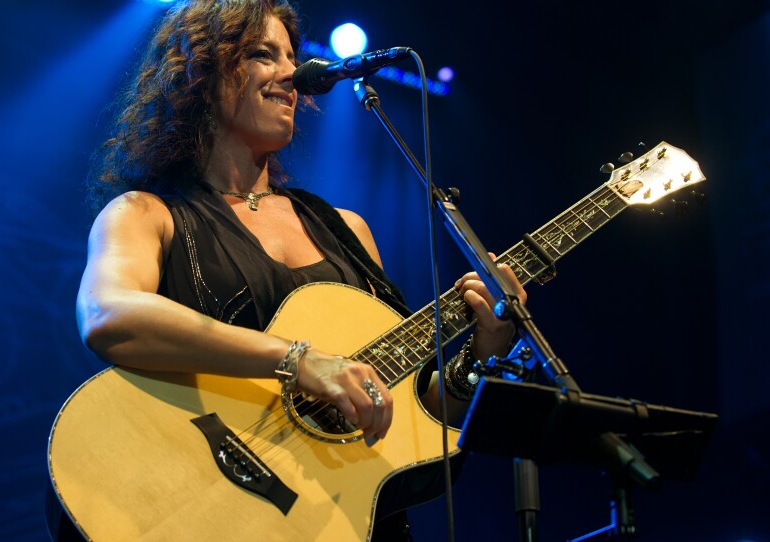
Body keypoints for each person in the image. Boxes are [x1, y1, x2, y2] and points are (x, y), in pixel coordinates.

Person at [70, 0, 527, 539]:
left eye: (292, 56)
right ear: (200, 71)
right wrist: (297, 361)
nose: (293, 73)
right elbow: (108, 314)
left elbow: (404, 414)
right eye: (264, 55)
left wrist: (484, 351)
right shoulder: (146, 213)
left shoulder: (345, 230)